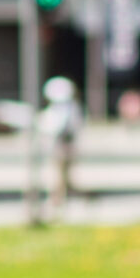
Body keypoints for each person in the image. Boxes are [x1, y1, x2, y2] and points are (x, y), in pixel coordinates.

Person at [37, 75, 82, 220]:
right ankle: (59, 201)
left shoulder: (66, 109)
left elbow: (59, 128)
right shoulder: (69, 108)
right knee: (59, 176)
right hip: (59, 147)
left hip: (61, 147)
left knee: (60, 177)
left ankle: (58, 202)